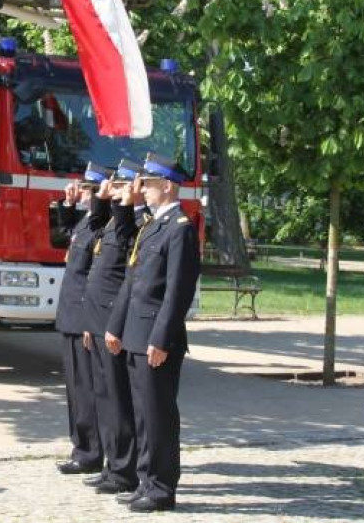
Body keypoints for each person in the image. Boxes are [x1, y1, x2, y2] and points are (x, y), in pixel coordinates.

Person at [105, 152, 200, 513]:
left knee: (158, 415)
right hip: (135, 335)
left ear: (169, 186)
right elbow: (132, 282)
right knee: (142, 414)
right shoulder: (151, 226)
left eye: (149, 184)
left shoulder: (180, 229)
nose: (142, 190)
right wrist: (116, 327)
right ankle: (145, 479)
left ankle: (161, 488)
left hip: (156, 340)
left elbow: (178, 292)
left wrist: (161, 339)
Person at [81, 159, 144, 497]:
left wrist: (123, 203)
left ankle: (124, 469)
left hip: (113, 321)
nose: (114, 190)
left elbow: (124, 277)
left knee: (119, 401)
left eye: (122, 186)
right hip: (98, 318)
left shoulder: (136, 223)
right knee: (104, 398)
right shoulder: (114, 222)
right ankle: (112, 465)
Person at [55, 162, 111, 476]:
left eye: (90, 190)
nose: (84, 194)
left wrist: (92, 320)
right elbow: (62, 235)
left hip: (84, 317)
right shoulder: (86, 221)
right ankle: (81, 446)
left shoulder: (104, 223)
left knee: (87, 389)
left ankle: (90, 452)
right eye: (85, 189)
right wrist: (67, 205)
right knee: (75, 389)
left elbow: (96, 277)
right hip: (70, 316)